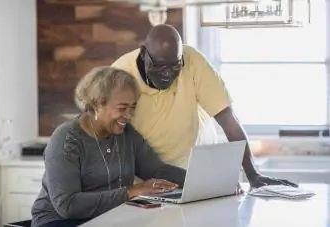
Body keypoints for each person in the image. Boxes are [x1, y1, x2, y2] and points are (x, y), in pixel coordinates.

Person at [111, 24, 297, 189]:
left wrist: (252, 174)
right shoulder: (120, 75)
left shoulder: (193, 61)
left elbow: (227, 119)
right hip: (147, 181)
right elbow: (113, 139)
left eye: (175, 65)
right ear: (144, 54)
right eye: (159, 66)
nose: (167, 74)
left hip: (194, 168)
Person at [31, 66, 186, 227]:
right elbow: (67, 205)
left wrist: (198, 180)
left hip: (106, 218)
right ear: (96, 104)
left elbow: (157, 170)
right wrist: (131, 192)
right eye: (122, 108)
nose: (129, 115)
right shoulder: (66, 139)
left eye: (132, 107)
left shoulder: (127, 134)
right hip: (59, 221)